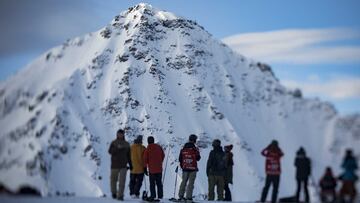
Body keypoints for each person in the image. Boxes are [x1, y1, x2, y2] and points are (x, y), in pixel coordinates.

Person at [108, 129, 132, 200]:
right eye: (119, 134)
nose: (120, 135)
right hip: (114, 165)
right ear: (117, 134)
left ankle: (120, 195)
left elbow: (129, 155)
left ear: (123, 135)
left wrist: (131, 164)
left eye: (121, 134)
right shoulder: (114, 143)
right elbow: (110, 151)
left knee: (122, 181)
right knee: (113, 180)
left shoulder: (127, 144)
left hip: (123, 166)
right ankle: (114, 193)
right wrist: (117, 148)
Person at [178, 134, 201, 202]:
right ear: (194, 140)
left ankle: (181, 196)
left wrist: (183, 166)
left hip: (185, 168)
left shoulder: (183, 148)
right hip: (193, 168)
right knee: (191, 183)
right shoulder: (195, 149)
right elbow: (198, 158)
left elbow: (180, 159)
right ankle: (189, 197)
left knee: (183, 182)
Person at [143, 136, 165, 201]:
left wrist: (145, 168)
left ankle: (153, 196)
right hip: (159, 169)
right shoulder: (159, 147)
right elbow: (163, 155)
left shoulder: (148, 149)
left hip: (152, 170)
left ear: (148, 141)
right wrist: (160, 162)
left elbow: (145, 159)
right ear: (153, 140)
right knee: (159, 183)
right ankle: (160, 196)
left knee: (152, 184)